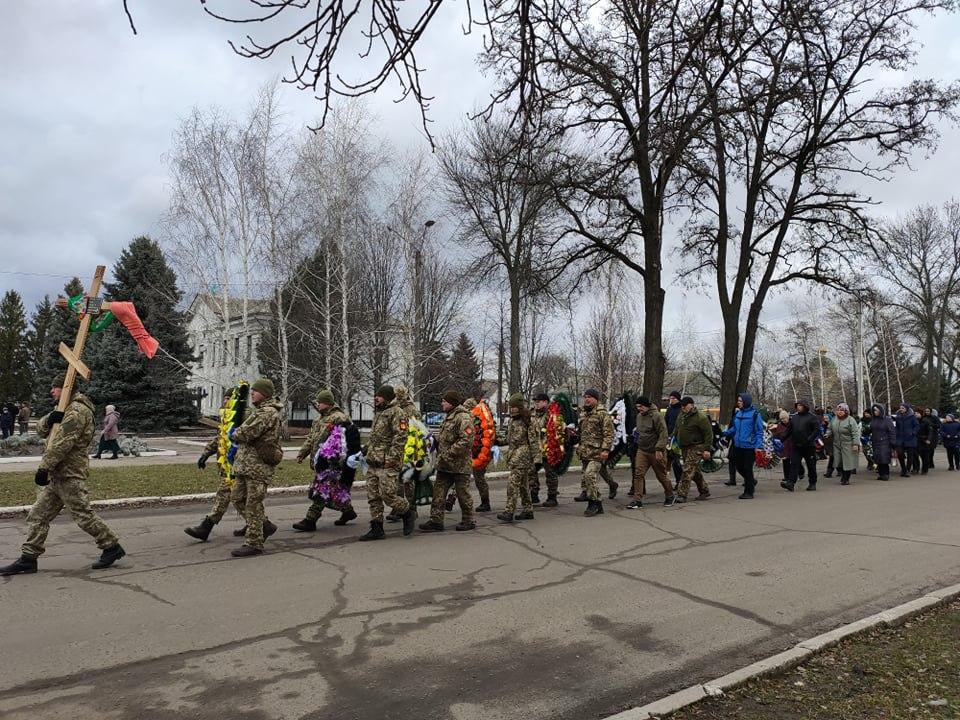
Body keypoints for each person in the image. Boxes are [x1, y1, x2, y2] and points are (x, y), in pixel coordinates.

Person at [0, 375, 125, 575]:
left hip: (70, 473)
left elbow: (63, 443)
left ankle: (111, 547)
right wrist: (49, 419)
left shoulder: (77, 411)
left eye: (55, 387)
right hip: (57, 475)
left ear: (65, 388)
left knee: (83, 515)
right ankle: (28, 559)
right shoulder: (63, 408)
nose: (52, 391)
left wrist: (44, 467)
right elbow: (42, 431)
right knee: (38, 515)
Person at [184, 390, 278, 543]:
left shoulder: (244, 414)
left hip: (241, 464)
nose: (225, 401)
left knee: (228, 495)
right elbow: (222, 437)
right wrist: (207, 453)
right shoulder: (230, 414)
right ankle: (258, 525)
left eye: (229, 398)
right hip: (233, 463)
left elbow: (241, 435)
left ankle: (206, 527)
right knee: (238, 497)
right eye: (225, 398)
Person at [229, 378, 284, 557]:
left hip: (258, 467)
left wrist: (236, 432)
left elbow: (244, 432)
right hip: (246, 466)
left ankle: (254, 542)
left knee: (253, 504)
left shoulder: (267, 413)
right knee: (237, 498)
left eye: (255, 390)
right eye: (251, 390)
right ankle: (264, 525)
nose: (252, 393)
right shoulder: (259, 411)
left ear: (265, 394)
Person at [292, 389, 360, 530]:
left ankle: (310, 520)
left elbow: (346, 440)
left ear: (328, 403)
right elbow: (311, 438)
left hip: (333, 463)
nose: (318, 404)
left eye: (320, 402)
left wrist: (341, 460)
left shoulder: (339, 418)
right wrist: (302, 453)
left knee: (321, 490)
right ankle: (348, 511)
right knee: (334, 490)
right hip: (321, 462)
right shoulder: (319, 419)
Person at [360, 385, 415, 540]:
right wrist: (366, 450)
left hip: (387, 463)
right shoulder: (379, 413)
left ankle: (407, 512)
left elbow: (401, 437)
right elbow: (375, 438)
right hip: (373, 462)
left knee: (388, 495)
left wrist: (392, 457)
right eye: (376, 395)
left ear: (388, 397)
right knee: (373, 496)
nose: (376, 398)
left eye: (380, 396)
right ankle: (377, 528)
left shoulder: (398, 413)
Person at [420, 391, 476, 532]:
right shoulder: (449, 417)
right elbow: (446, 437)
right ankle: (436, 521)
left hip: (460, 465)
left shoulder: (463, 417)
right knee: (438, 493)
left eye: (444, 401)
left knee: (463, 494)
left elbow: (466, 440)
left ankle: (468, 520)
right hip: (445, 465)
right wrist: (433, 440)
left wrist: (449, 453)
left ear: (451, 403)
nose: (442, 403)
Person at [572, 388, 615, 516]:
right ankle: (596, 503)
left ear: (596, 399)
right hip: (585, 452)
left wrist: (606, 449)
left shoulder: (602, 414)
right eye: (585, 397)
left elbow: (609, 434)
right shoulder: (584, 414)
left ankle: (594, 503)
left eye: (589, 397)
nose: (586, 399)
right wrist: (573, 435)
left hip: (597, 452)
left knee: (590, 475)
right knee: (586, 477)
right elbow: (581, 432)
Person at [497, 393, 538, 523]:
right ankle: (528, 510)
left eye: (514, 406)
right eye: (511, 406)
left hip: (523, 456)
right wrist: (496, 440)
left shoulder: (528, 420)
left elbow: (534, 441)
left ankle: (509, 511)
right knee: (523, 485)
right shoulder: (512, 420)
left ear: (519, 406)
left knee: (512, 483)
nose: (512, 409)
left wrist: (536, 459)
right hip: (514, 454)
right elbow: (509, 439)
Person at [627, 396, 673, 509]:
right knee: (638, 474)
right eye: (637, 407)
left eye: (641, 406)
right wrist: (634, 439)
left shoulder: (657, 416)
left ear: (647, 406)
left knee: (661, 476)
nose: (639, 409)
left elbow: (663, 434)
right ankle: (637, 500)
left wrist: (659, 449)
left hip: (656, 451)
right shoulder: (639, 417)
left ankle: (670, 495)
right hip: (642, 450)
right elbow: (639, 431)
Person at [722, 393, 765, 499]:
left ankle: (749, 492)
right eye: (738, 401)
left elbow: (759, 432)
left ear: (746, 402)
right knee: (739, 466)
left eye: (740, 401)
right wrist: (725, 433)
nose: (738, 403)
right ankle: (751, 481)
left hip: (750, 447)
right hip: (738, 445)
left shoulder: (755, 414)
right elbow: (735, 429)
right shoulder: (738, 414)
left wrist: (758, 446)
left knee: (747, 468)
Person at [388, 385, 420, 523]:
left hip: (409, 449)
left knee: (407, 480)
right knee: (397, 481)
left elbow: (417, 429)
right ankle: (399, 508)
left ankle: (412, 508)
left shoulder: (411, 410)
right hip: (397, 448)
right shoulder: (394, 408)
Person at [674, 396, 713, 503]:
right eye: (681, 406)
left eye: (685, 406)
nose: (683, 408)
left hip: (696, 447)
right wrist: (672, 438)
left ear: (691, 404)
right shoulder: (681, 416)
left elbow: (708, 434)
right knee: (694, 471)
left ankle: (682, 494)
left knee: (687, 470)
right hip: (684, 447)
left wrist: (707, 449)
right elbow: (677, 428)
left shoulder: (701, 417)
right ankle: (704, 490)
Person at [780, 400, 820, 491]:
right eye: (797, 405)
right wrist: (781, 439)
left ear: (805, 406)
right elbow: (789, 430)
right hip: (796, 445)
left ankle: (812, 483)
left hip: (808, 446)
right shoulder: (794, 418)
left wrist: (809, 439)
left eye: (800, 405)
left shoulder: (812, 418)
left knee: (811, 465)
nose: (798, 407)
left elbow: (816, 430)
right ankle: (791, 483)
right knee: (794, 464)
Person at [529, 392, 560, 506]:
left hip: (548, 448)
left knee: (550, 473)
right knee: (531, 471)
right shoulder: (531, 414)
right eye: (535, 401)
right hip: (535, 449)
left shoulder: (552, 414)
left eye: (539, 401)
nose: (536, 403)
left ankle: (552, 497)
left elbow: (558, 429)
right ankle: (533, 494)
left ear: (546, 402)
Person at [828, 403, 860, 485]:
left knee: (847, 462)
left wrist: (855, 444)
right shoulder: (834, 419)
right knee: (838, 462)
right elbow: (830, 428)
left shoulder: (850, 420)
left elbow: (855, 433)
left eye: (841, 410)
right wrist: (827, 434)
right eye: (838, 410)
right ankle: (843, 475)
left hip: (848, 444)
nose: (839, 412)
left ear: (846, 411)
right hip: (837, 444)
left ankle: (846, 478)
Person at [869, 404, 896, 481]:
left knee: (884, 458)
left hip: (885, 441)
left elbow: (892, 431)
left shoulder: (887, 420)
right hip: (875, 441)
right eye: (874, 410)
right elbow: (871, 429)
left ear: (881, 410)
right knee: (877, 458)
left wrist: (893, 442)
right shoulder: (873, 419)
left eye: (876, 410)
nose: (875, 412)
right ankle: (881, 474)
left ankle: (886, 474)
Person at [664, 390, 684, 487]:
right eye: (670, 398)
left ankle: (679, 481)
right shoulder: (669, 409)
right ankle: (667, 482)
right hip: (669, 438)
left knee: (676, 461)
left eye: (673, 398)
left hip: (678, 439)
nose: (671, 400)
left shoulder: (681, 410)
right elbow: (665, 422)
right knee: (667, 460)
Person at [894, 403, 919, 477]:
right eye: (900, 408)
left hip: (910, 438)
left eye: (903, 408)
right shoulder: (898, 417)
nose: (901, 409)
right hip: (900, 438)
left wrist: (913, 432)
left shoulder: (912, 417)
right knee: (900, 453)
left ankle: (907, 470)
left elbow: (917, 426)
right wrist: (896, 433)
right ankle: (903, 468)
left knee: (910, 456)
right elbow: (896, 426)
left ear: (907, 409)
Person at [918, 407, 938, 475]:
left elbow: (937, 426)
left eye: (928, 411)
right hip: (920, 439)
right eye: (925, 411)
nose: (927, 412)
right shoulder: (921, 419)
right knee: (922, 454)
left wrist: (932, 425)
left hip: (931, 437)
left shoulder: (934, 418)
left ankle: (928, 466)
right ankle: (926, 465)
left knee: (929, 452)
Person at [816, 409, 835, 478]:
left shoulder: (833, 425)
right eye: (824, 418)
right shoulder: (822, 426)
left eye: (827, 418)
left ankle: (831, 471)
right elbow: (820, 435)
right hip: (826, 444)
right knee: (832, 457)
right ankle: (829, 472)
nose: (825, 419)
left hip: (833, 443)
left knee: (833, 457)